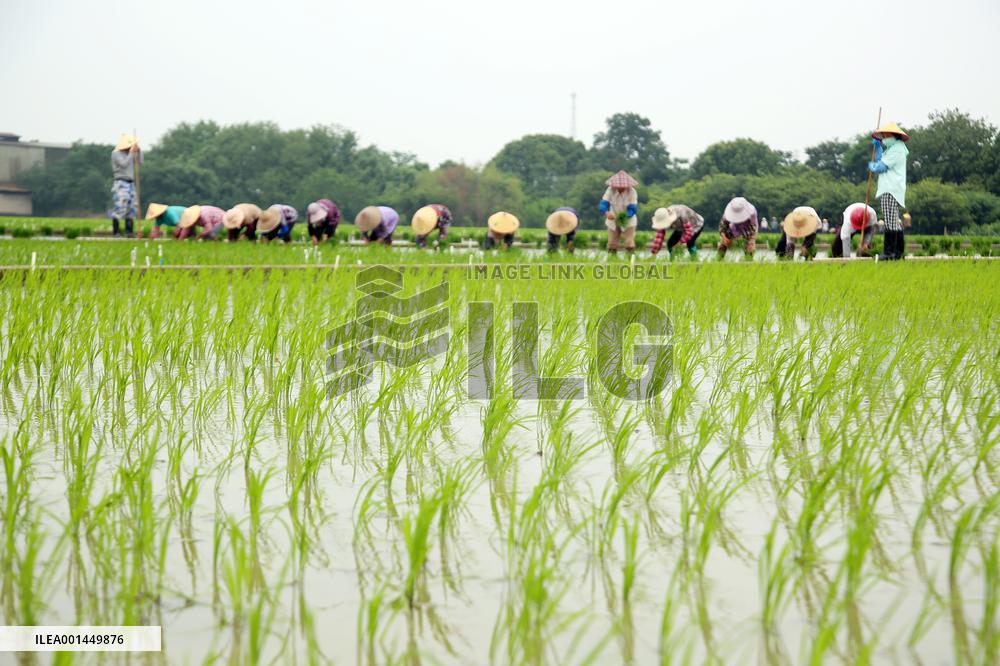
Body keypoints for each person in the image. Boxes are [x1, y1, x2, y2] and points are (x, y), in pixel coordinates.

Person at [868, 122, 910, 260]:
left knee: (890, 221)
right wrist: (878, 147)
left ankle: (889, 252)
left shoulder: (897, 149)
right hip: (893, 188)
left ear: (894, 136)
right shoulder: (894, 148)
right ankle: (898, 253)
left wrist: (873, 166)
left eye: (886, 136)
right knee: (893, 221)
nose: (884, 138)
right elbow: (882, 158)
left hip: (890, 189)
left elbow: (882, 166)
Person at [599, 170, 639, 254]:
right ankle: (612, 259)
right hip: (613, 219)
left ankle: (631, 259)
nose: (621, 188)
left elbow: (632, 209)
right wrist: (606, 213)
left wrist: (624, 216)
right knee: (612, 243)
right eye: (619, 186)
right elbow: (603, 203)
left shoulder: (632, 192)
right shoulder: (610, 190)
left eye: (623, 187)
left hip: (628, 221)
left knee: (629, 242)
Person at [109, 134, 141, 237]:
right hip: (121, 182)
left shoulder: (130, 153)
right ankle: (116, 232)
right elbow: (124, 164)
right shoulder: (115, 153)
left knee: (132, 207)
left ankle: (129, 231)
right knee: (121, 205)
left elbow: (139, 161)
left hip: (131, 183)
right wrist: (131, 153)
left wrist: (138, 151)